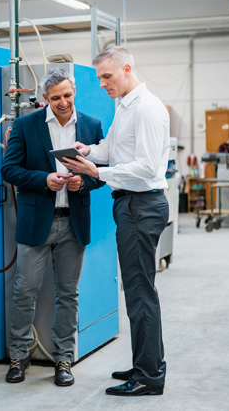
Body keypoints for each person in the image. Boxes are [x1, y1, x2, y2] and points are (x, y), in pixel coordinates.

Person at [61, 46, 170, 396]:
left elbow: (148, 166)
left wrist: (98, 171)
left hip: (142, 206)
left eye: (108, 76)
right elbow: (111, 147)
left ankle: (149, 376)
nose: (103, 84)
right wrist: (90, 151)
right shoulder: (124, 106)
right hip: (129, 206)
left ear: (127, 68)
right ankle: (144, 364)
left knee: (140, 295)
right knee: (137, 292)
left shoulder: (148, 109)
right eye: (99, 78)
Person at [1, 67, 105, 386]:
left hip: (73, 223)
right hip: (36, 223)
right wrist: (44, 179)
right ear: (45, 98)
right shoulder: (25, 125)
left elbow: (103, 170)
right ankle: (19, 355)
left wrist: (82, 183)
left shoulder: (91, 126)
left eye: (68, 95)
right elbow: (9, 169)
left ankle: (63, 359)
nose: (63, 103)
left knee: (68, 294)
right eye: (56, 97)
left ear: (75, 92)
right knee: (24, 291)